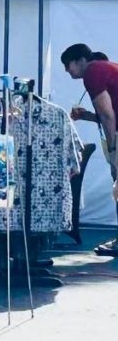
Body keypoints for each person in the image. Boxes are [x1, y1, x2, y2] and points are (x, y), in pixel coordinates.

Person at [61, 43, 118, 256]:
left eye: (68, 64)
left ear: (81, 60)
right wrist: (86, 116)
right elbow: (109, 114)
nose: (66, 70)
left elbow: (107, 115)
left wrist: (112, 147)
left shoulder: (92, 72)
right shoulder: (107, 68)